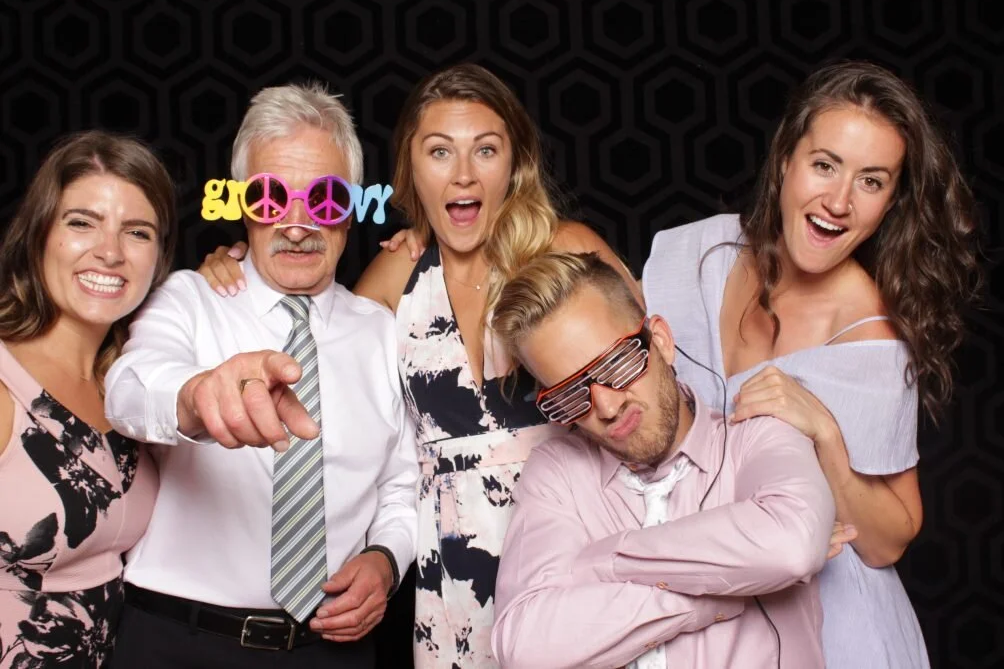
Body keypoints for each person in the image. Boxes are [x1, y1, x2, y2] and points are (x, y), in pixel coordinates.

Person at [197, 63, 641, 667]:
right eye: (439, 152)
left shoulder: (568, 249)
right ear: (411, 169)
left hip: (585, 543)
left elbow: (657, 379)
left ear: (515, 163)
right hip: (456, 584)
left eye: (486, 149)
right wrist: (229, 267)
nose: (463, 173)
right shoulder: (392, 280)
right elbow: (316, 337)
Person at [643, 60, 982, 668]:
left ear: (890, 203)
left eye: (871, 182)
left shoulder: (871, 338)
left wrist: (824, 432)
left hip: (835, 629)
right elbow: (600, 317)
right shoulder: (701, 256)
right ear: (786, 160)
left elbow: (889, 539)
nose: (839, 201)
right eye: (824, 165)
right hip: (708, 614)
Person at [103, 83, 418, 669]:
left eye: (322, 199)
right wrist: (199, 396)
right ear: (244, 207)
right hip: (177, 641)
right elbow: (127, 388)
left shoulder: (382, 332)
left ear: (350, 208)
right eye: (273, 198)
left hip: (331, 650)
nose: (297, 225)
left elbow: (401, 486)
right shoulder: (189, 297)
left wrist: (386, 559)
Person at [488, 251, 834, 668]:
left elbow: (792, 546)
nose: (607, 406)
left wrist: (608, 559)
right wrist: (706, 597)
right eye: (569, 394)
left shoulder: (757, 435)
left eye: (616, 363)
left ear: (661, 341)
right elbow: (525, 648)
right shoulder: (557, 473)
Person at [0, 130, 177, 668]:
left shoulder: (127, 386)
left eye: (137, 232)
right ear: (39, 235)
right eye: (81, 222)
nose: (110, 252)